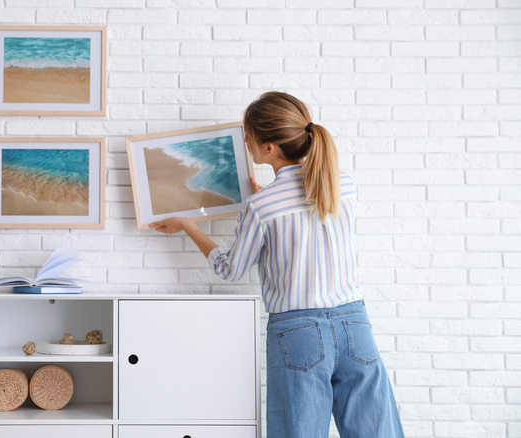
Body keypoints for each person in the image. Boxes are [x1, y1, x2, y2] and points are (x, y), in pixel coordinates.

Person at [150, 91, 404, 438]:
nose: (246, 143)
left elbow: (230, 270)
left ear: (269, 148)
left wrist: (189, 226)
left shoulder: (262, 206)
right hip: (354, 324)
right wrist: (265, 194)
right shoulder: (343, 185)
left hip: (297, 331)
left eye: (248, 137)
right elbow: (305, 215)